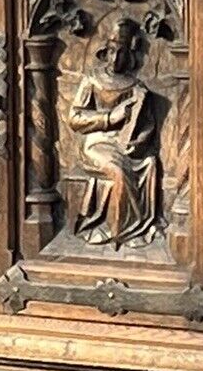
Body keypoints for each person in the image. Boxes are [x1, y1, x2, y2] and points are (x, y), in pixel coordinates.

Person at [68, 16, 161, 248]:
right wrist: (109, 118)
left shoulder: (136, 86)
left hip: (124, 143)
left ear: (130, 55)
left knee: (150, 162)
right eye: (112, 51)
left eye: (121, 53)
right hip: (96, 142)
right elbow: (75, 119)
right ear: (105, 52)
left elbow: (148, 123)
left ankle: (138, 227)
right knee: (118, 171)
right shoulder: (92, 81)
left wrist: (139, 141)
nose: (116, 58)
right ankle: (117, 230)